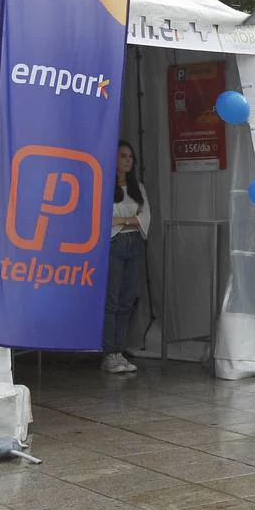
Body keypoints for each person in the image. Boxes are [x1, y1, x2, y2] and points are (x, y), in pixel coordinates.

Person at [103, 140, 149, 374]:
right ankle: (109, 352)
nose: (128, 160)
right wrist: (130, 220)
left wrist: (123, 221)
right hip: (115, 243)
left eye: (130, 156)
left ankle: (119, 351)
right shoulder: (105, 187)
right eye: (123, 156)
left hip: (135, 243)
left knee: (127, 299)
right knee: (111, 299)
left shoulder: (137, 188)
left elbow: (145, 218)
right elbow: (104, 220)